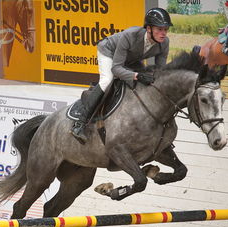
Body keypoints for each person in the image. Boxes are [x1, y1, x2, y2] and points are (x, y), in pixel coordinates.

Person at [71, 7, 173, 144]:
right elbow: (116, 68)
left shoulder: (164, 43)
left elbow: (160, 71)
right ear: (149, 29)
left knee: (145, 82)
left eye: (165, 29)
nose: (163, 33)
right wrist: (137, 75)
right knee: (107, 81)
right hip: (109, 51)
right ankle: (80, 123)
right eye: (159, 29)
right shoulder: (130, 35)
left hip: (131, 59)